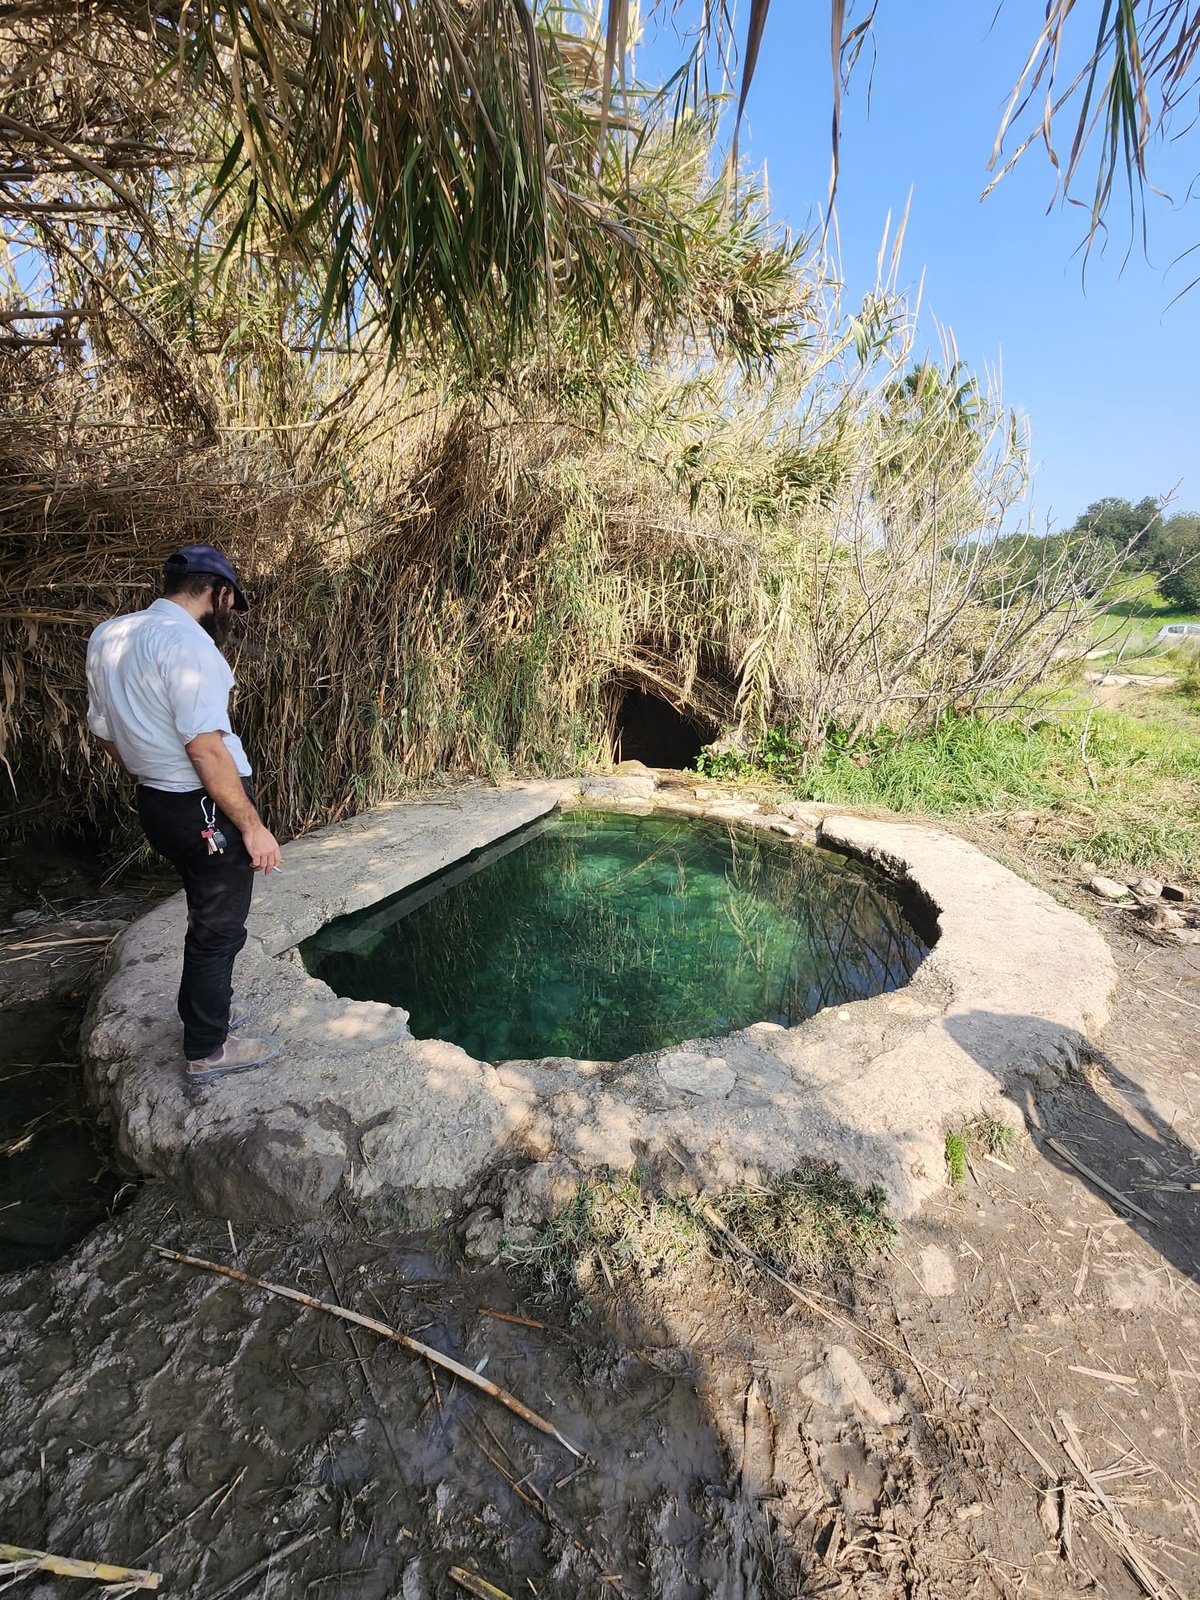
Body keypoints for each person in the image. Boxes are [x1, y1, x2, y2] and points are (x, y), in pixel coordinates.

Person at [86, 544, 285, 1083]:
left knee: (204, 916)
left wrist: (145, 772)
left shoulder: (110, 635)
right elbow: (206, 749)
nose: (227, 613)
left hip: (157, 801)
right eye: (229, 601)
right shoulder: (190, 647)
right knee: (217, 931)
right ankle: (207, 1048)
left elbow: (104, 731)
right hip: (202, 808)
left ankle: (206, 1012)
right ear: (217, 592)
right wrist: (252, 827)